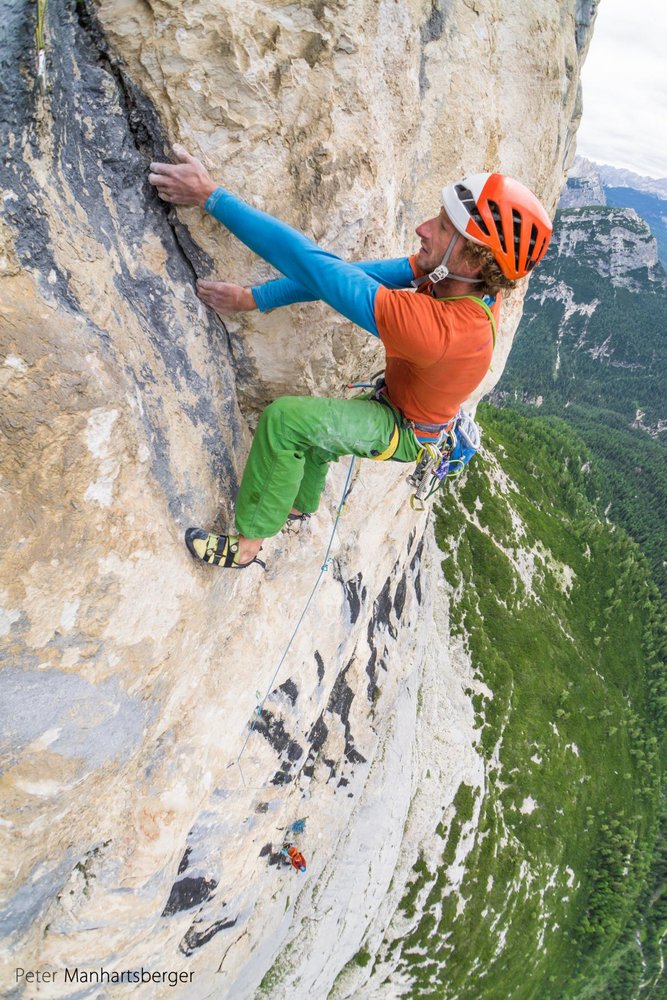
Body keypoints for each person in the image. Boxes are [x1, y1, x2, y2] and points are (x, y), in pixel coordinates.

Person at [148, 145, 552, 569]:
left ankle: (247, 547)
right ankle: (300, 507)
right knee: (319, 439)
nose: (423, 229)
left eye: (443, 227)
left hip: (404, 428)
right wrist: (256, 298)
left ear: (473, 258)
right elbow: (345, 275)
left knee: (285, 422)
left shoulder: (439, 330)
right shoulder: (469, 283)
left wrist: (211, 197)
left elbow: (313, 267)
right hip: (410, 407)